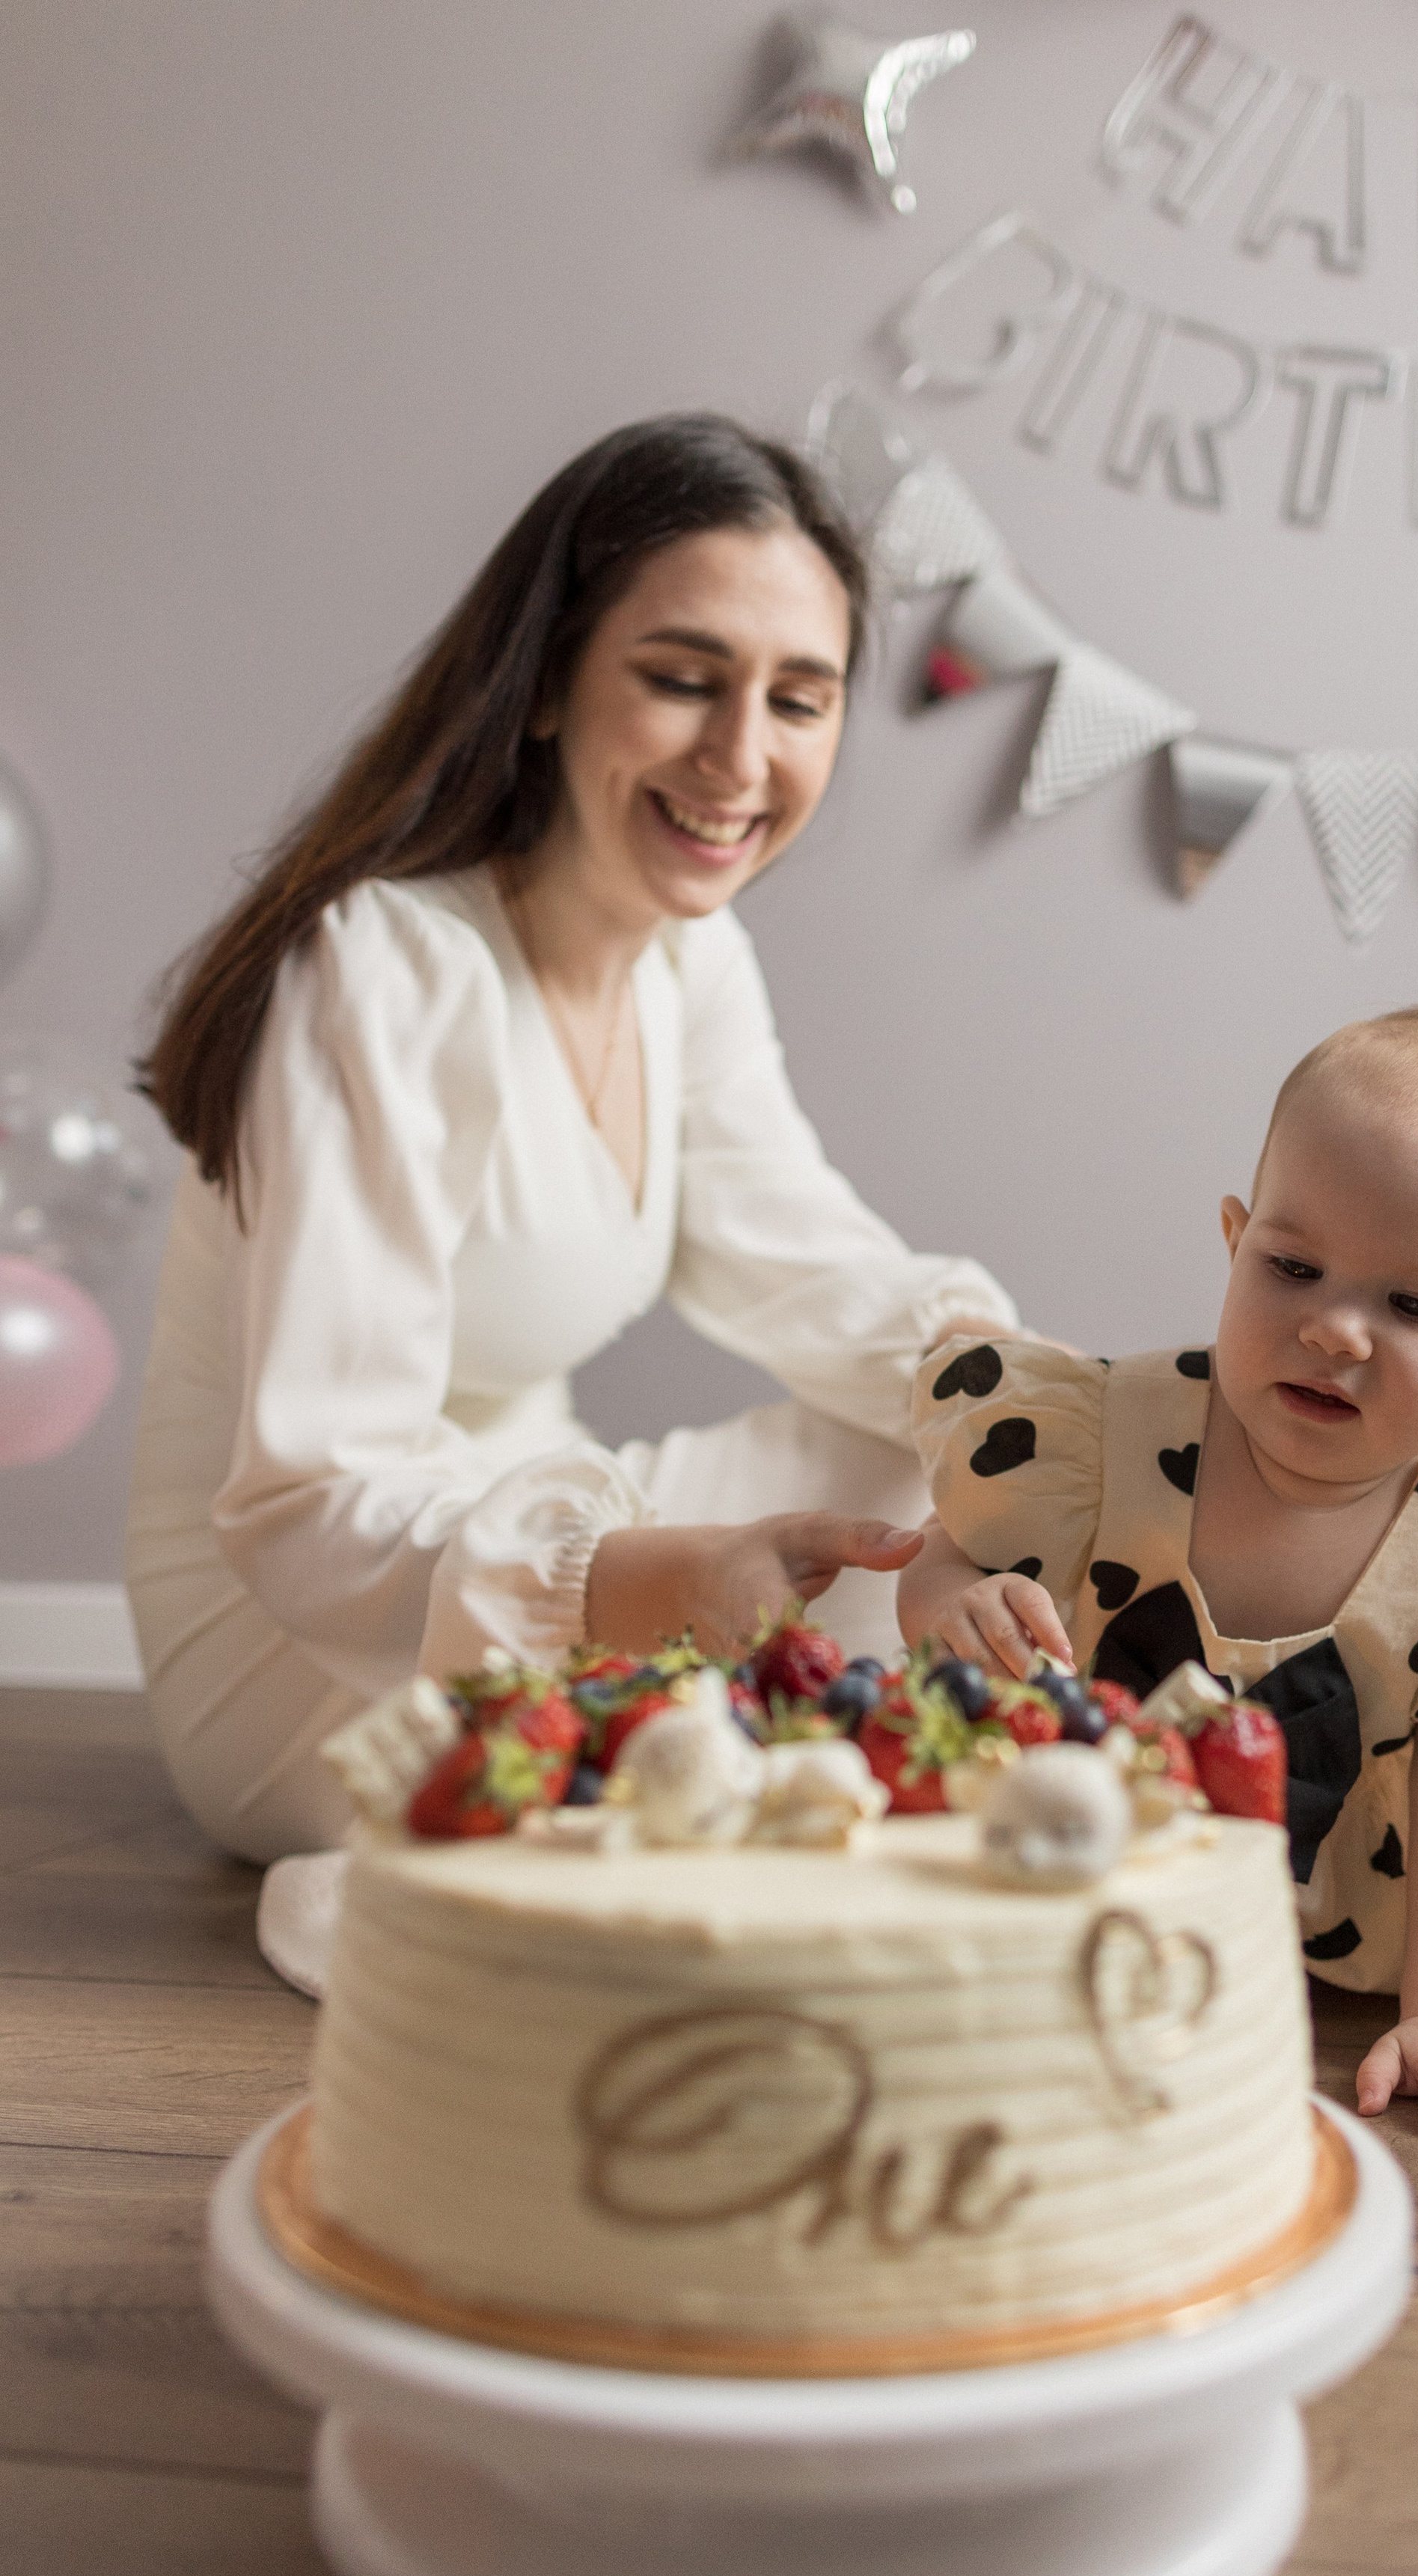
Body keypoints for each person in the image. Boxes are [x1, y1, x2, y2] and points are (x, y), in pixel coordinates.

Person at [128, 415, 1018, 1865]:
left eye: (798, 700)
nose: (740, 757)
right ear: (545, 683)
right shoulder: (377, 965)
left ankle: (707, 1752)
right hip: (303, 1628)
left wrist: (1036, 1420)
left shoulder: (693, 964)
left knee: (929, 1463)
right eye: (680, 681)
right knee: (781, 1692)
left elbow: (815, 1271)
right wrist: (644, 1577)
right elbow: (314, 1495)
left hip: (541, 1534)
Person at [903, 1006, 1418, 2153]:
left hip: (1363, 1901)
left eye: (1412, 1305)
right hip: (1080, 1843)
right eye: (1293, 1266)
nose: (1332, 1328)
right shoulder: (1096, 1434)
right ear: (1235, 1238)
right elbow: (949, 1547)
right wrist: (947, 1601)